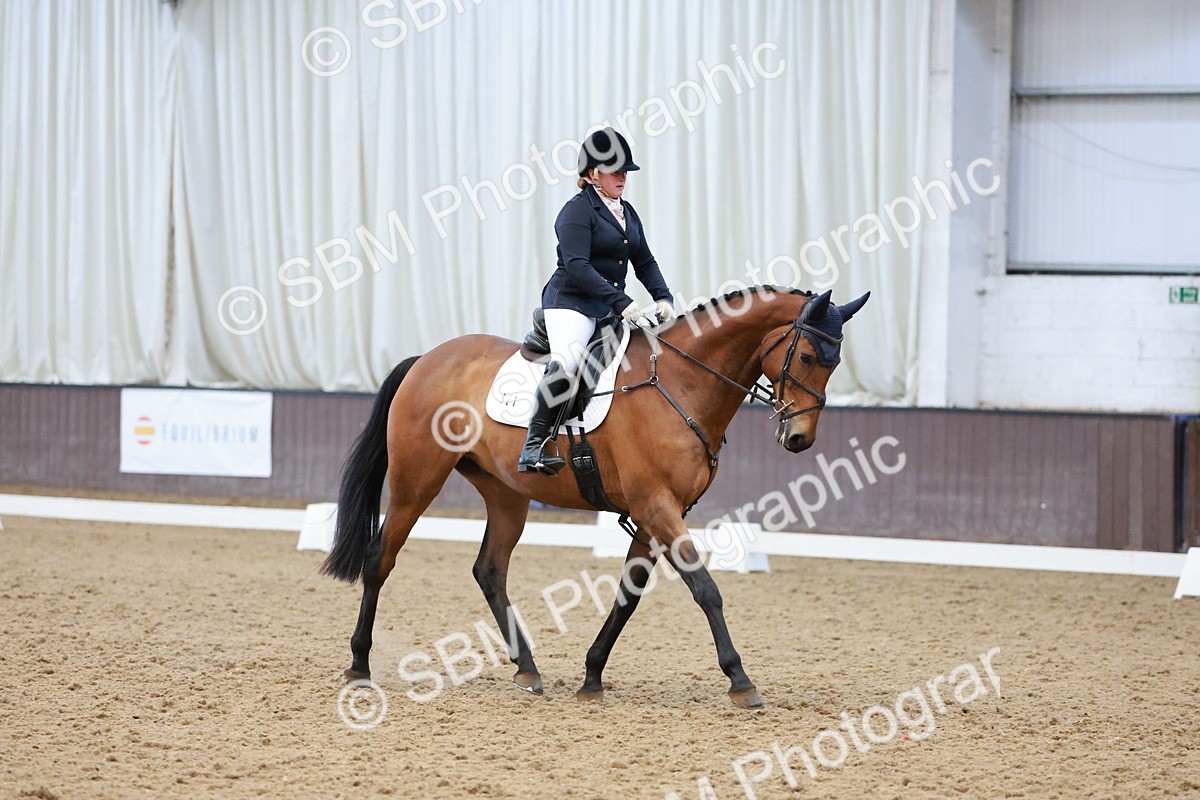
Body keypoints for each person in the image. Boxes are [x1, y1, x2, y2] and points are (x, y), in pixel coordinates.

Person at [517, 127, 676, 475]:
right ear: (592, 175)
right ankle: (534, 444)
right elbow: (578, 267)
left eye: (624, 171)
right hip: (570, 303)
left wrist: (663, 297)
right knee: (569, 360)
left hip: (607, 307)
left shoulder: (627, 212)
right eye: (613, 170)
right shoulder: (575, 212)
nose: (622, 176)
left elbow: (644, 261)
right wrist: (622, 302)